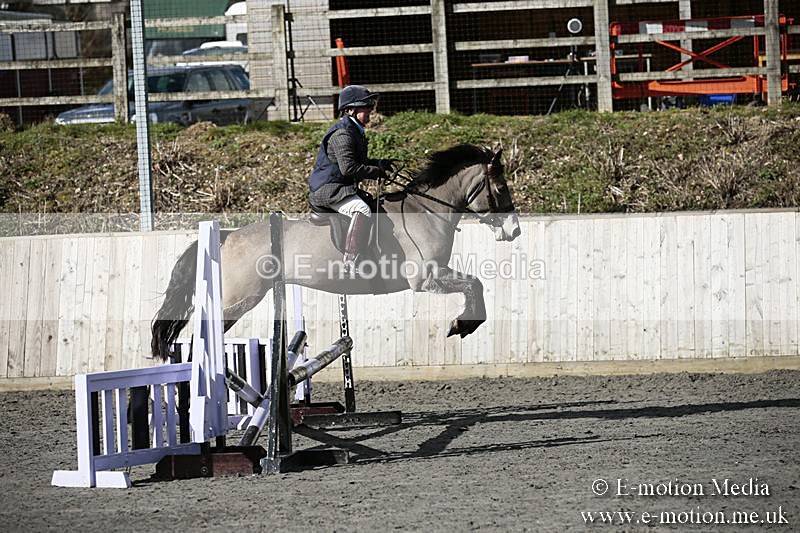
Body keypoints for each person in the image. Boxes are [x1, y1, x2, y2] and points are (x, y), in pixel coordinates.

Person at [308, 85, 393, 271]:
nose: (370, 109)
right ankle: (350, 260)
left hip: (340, 186)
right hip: (329, 189)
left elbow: (357, 162)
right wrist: (375, 172)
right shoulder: (342, 134)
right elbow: (349, 168)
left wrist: (380, 163)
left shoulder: (354, 130)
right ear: (350, 110)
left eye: (370, 105)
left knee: (371, 202)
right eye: (366, 106)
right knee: (361, 209)